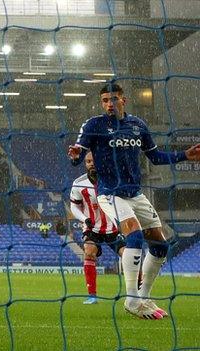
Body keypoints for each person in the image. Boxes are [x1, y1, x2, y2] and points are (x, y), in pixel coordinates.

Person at [68, 83, 200, 319]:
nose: (110, 104)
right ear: (102, 103)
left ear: (123, 100)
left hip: (135, 194)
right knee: (135, 236)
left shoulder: (137, 125)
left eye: (114, 99)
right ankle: (131, 300)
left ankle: (144, 297)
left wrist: (184, 155)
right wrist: (76, 156)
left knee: (161, 245)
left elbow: (155, 157)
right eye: (105, 100)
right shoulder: (94, 125)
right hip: (110, 193)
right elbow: (79, 153)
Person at [70, 151, 124, 305]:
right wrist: (84, 219)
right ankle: (92, 296)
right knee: (89, 252)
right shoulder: (78, 183)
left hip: (113, 228)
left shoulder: (114, 179)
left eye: (93, 160)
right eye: (87, 161)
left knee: (127, 256)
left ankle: (138, 295)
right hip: (92, 228)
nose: (91, 164)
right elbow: (74, 207)